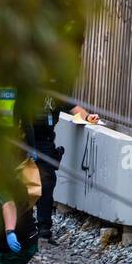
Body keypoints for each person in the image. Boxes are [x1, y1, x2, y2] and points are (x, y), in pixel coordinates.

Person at [24, 97, 98, 243]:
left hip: (45, 142)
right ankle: (24, 225)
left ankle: (43, 228)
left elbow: (73, 107)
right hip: (24, 140)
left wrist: (88, 116)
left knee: (47, 182)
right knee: (24, 183)